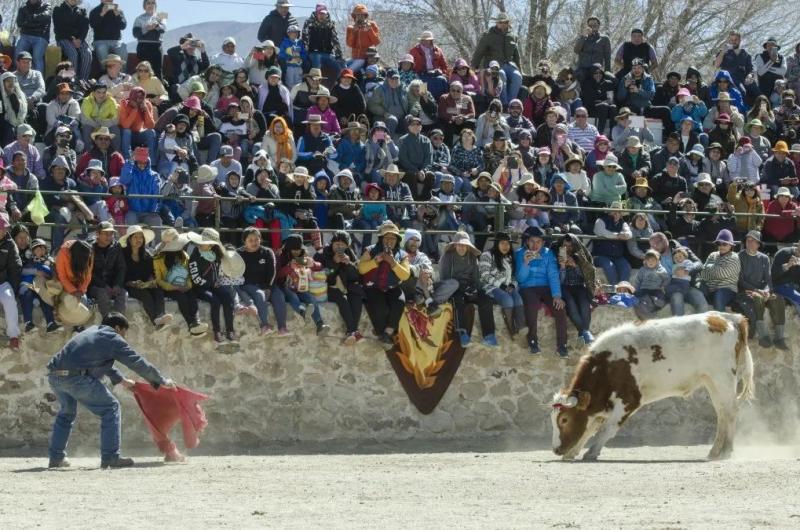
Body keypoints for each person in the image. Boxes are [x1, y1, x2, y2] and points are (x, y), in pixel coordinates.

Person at [46, 312, 176, 469]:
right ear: (117, 328)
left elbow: (102, 363)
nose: (123, 338)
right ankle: (110, 457)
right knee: (111, 407)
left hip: (55, 377)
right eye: (124, 333)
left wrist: (122, 380)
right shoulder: (112, 337)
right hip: (76, 378)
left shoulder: (92, 332)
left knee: (66, 414)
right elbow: (137, 362)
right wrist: (161, 380)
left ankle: (56, 458)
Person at [515, 226, 568, 356]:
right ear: (527, 241)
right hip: (527, 287)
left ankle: (562, 346)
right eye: (532, 241)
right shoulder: (520, 253)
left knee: (560, 308)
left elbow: (553, 275)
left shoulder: (548, 253)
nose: (535, 245)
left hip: (546, 287)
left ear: (543, 242)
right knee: (531, 306)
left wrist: (556, 295)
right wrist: (526, 263)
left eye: (538, 242)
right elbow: (520, 279)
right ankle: (533, 341)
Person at [439, 231, 497, 347]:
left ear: (468, 246)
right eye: (459, 245)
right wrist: (458, 287)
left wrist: (476, 289)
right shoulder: (447, 257)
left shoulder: (472, 257)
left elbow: (476, 277)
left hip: (469, 287)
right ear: (455, 245)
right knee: (458, 301)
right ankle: (463, 334)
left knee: (485, 300)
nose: (461, 247)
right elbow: (444, 278)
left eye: (464, 245)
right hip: (454, 288)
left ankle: (489, 335)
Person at [358, 221, 411, 345]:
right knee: (379, 308)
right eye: (387, 238)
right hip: (373, 287)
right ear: (381, 239)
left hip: (393, 288)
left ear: (397, 240)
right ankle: (382, 333)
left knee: (399, 302)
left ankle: (388, 332)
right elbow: (361, 268)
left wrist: (393, 263)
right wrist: (375, 261)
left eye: (393, 238)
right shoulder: (370, 250)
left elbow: (405, 275)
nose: (389, 241)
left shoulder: (402, 255)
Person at [736, 230, 787, 349]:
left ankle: (779, 337)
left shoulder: (764, 258)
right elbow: (741, 281)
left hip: (762, 291)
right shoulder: (739, 256)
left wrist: (767, 291)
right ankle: (763, 336)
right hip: (746, 291)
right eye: (749, 240)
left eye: (754, 241)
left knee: (778, 299)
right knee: (758, 299)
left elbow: (768, 280)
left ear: (759, 244)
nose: (751, 243)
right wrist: (757, 291)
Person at [153, 228, 208, 336]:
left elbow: (188, 274)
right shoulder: (158, 258)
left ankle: (196, 321)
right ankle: (191, 324)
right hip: (167, 287)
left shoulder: (184, 256)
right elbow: (158, 280)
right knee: (181, 297)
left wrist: (187, 285)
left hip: (183, 285)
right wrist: (172, 287)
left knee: (191, 295)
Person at [236, 226, 289, 337]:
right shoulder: (239, 254)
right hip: (248, 284)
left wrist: (269, 287)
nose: (254, 242)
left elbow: (273, 272)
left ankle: (282, 328)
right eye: (250, 240)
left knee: (279, 296)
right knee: (260, 295)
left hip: (267, 284)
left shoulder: (267, 252)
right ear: (244, 241)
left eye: (257, 239)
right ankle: (264, 326)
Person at [187, 228, 237, 344]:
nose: (206, 246)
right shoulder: (195, 256)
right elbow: (195, 278)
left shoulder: (215, 254)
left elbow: (219, 270)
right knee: (215, 301)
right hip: (200, 288)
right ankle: (217, 331)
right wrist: (211, 284)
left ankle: (230, 330)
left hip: (214, 285)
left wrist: (218, 281)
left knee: (228, 298)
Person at [120, 225, 173, 330]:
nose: (138, 240)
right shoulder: (122, 254)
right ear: (129, 239)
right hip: (128, 286)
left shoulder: (147, 255)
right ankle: (156, 322)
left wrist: (151, 281)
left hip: (144, 284)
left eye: (140, 237)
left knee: (158, 290)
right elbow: (120, 274)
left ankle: (160, 316)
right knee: (145, 295)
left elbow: (151, 272)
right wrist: (132, 283)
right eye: (135, 237)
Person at [552, 233, 596, 344]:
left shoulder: (580, 256)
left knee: (584, 303)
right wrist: (562, 267)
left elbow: (587, 275)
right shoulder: (555, 256)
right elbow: (558, 281)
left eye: (570, 246)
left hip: (579, 286)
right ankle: (584, 331)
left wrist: (575, 266)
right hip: (564, 287)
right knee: (571, 303)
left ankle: (584, 332)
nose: (567, 249)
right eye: (565, 246)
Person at [478, 232, 524, 337]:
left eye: (507, 244)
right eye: (502, 243)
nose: (505, 246)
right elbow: (485, 275)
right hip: (490, 287)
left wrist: (512, 285)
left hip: (506, 287)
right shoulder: (487, 255)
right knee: (507, 300)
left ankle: (521, 326)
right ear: (496, 244)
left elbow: (512, 276)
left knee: (517, 298)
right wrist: (502, 286)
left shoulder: (509, 257)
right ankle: (512, 329)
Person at [471, 13, 521, 105]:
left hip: (509, 65)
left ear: (508, 23)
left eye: (505, 22)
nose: (502, 24)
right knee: (501, 74)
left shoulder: (513, 36)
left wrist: (520, 69)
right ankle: (504, 104)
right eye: (500, 22)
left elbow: (516, 55)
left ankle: (511, 104)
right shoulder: (488, 35)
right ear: (497, 23)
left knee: (517, 76)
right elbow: (479, 52)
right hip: (494, 65)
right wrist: (473, 66)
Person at [88, 221, 127, 318]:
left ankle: (118, 321)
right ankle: (108, 322)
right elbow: (88, 272)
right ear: (98, 234)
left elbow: (121, 268)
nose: (109, 237)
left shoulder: (116, 246)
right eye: (105, 234)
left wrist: (117, 284)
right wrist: (104, 285)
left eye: (111, 234)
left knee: (122, 293)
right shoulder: (90, 248)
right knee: (102, 293)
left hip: (112, 285)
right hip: (94, 286)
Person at [120, 147, 162, 229]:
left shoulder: (154, 175)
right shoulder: (131, 173)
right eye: (139, 162)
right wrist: (130, 162)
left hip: (149, 212)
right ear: (135, 162)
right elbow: (124, 180)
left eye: (144, 162)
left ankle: (157, 242)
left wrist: (154, 211)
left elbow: (156, 196)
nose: (142, 165)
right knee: (130, 220)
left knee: (156, 220)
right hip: (132, 211)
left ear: (148, 162)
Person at [699, 229, 741, 311]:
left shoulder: (734, 257)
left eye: (724, 244)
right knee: (697, 289)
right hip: (710, 288)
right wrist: (714, 270)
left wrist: (709, 267)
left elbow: (722, 274)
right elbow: (702, 274)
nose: (721, 246)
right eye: (719, 243)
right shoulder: (713, 255)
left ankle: (721, 322)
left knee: (719, 297)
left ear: (730, 245)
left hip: (727, 289)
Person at [593, 201, 632, 284]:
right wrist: (618, 235)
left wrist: (625, 235)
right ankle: (614, 292)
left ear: (621, 214)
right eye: (614, 210)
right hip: (601, 255)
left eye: (619, 212)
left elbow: (629, 234)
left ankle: (623, 290)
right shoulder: (600, 220)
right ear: (609, 211)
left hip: (618, 256)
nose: (616, 213)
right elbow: (601, 232)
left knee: (626, 267)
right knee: (609, 267)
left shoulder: (623, 223)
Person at [52, 0, 92, 82]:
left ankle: (82, 81)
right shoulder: (58, 9)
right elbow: (59, 27)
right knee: (73, 54)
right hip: (63, 38)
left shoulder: (82, 11)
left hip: (79, 39)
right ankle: (71, 80)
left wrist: (80, 39)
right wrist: (72, 38)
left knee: (88, 54)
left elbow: (85, 27)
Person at [302, 4, 343, 78]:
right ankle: (315, 82)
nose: (321, 16)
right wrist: (305, 53)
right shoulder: (309, 23)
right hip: (313, 53)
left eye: (323, 14)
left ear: (326, 14)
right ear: (316, 13)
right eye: (319, 13)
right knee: (317, 62)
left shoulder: (331, 24)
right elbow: (305, 38)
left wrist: (339, 55)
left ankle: (340, 85)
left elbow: (335, 40)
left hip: (327, 53)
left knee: (340, 66)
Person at [0, 212, 21, 349]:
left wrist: (13, 288)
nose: (4, 231)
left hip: (2, 281)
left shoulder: (9, 243)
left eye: (5, 228)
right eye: (2, 228)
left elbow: (15, 266)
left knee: (9, 300)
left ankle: (13, 336)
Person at [13, 51, 47, 137]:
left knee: (44, 108)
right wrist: (25, 100)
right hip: (20, 103)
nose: (27, 64)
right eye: (24, 62)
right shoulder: (12, 76)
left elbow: (41, 89)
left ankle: (41, 136)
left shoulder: (37, 74)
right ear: (17, 62)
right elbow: (14, 91)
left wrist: (32, 98)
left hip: (36, 102)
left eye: (29, 62)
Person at [119, 87, 157, 160]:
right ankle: (127, 160)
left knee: (151, 132)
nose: (138, 99)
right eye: (136, 96)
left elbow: (151, 126)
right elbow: (125, 125)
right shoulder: (124, 104)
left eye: (141, 97)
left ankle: (151, 162)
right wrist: (135, 110)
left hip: (138, 134)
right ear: (132, 96)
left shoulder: (147, 104)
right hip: (126, 136)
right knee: (127, 131)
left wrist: (145, 110)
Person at [15, 0, 52, 74]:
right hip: (25, 35)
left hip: (41, 36)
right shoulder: (23, 7)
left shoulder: (46, 5)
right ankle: (18, 78)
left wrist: (28, 21)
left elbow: (45, 17)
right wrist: (36, 22)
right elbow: (19, 22)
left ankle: (39, 81)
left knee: (37, 57)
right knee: (18, 55)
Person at [133, 0, 166, 79]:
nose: (151, 5)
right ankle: (142, 91)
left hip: (157, 46)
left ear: (155, 5)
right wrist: (146, 29)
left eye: (153, 3)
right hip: (143, 46)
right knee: (143, 70)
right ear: (144, 6)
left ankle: (158, 91)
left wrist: (156, 26)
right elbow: (136, 34)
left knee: (158, 70)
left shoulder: (161, 16)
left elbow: (163, 29)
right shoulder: (139, 18)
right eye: (148, 3)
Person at [89, 0, 128, 68]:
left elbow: (123, 26)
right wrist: (102, 13)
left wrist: (117, 15)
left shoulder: (118, 11)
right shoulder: (95, 11)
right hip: (100, 41)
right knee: (102, 49)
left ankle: (122, 75)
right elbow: (93, 25)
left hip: (116, 41)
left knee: (122, 49)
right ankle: (105, 74)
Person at [573, 16, 611, 81]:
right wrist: (584, 37)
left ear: (598, 26)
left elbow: (607, 57)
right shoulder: (583, 38)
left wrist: (607, 72)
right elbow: (576, 50)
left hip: (596, 69)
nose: (592, 27)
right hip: (582, 68)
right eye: (590, 25)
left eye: (595, 25)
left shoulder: (604, 39)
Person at [345, 4, 381, 73]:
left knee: (349, 71)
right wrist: (353, 32)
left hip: (366, 57)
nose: (360, 17)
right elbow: (349, 44)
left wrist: (369, 30)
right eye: (358, 15)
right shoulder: (350, 28)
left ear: (365, 16)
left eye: (362, 15)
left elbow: (377, 42)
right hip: (354, 57)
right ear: (354, 16)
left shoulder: (372, 25)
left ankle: (346, 78)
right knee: (340, 64)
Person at [771, 243, 800, 317]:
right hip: (780, 285)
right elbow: (773, 275)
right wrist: (787, 266)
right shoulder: (784, 252)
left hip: (795, 286)